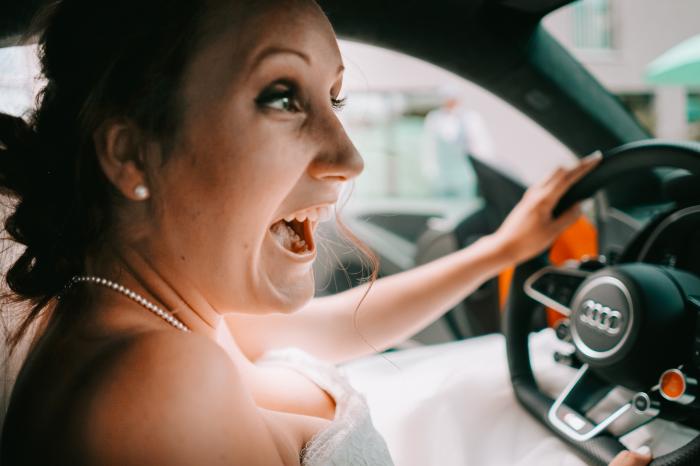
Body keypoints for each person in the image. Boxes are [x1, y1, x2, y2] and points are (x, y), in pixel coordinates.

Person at [0, 1, 651, 465]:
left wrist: (502, 250)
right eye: (282, 96)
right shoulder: (156, 384)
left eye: (332, 99)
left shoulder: (154, 319)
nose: (348, 158)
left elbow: (342, 328)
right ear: (131, 155)